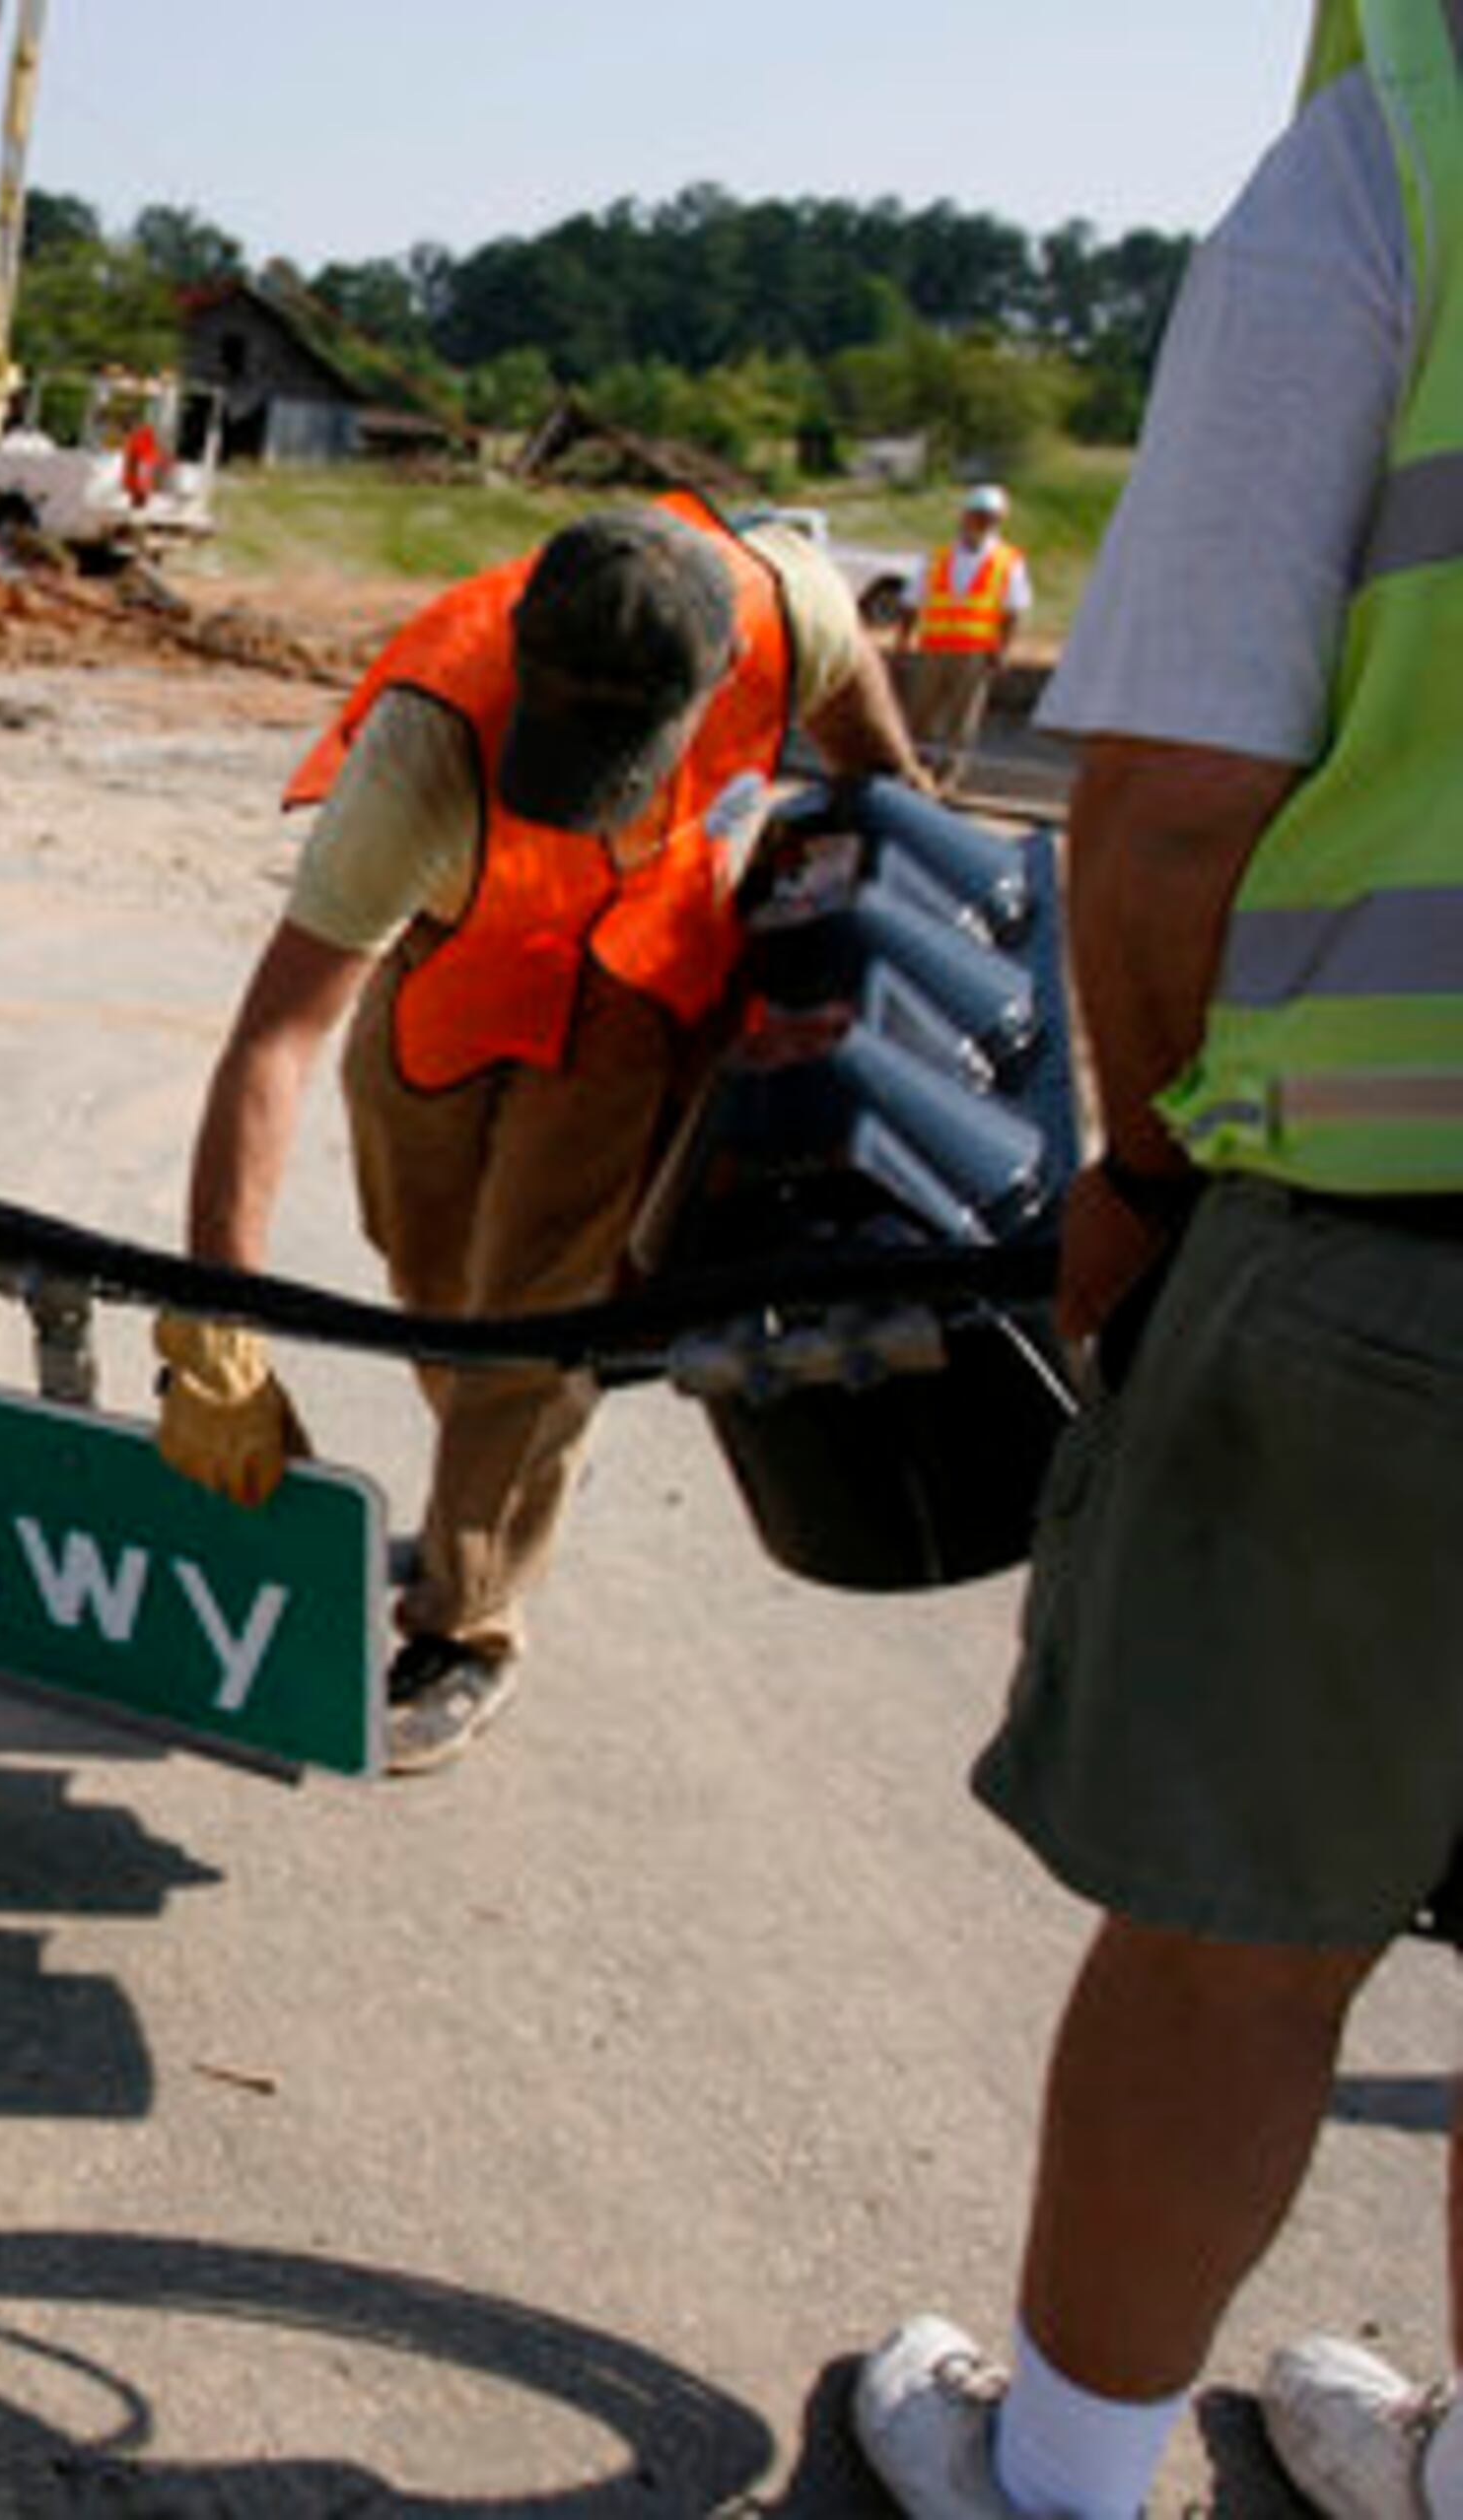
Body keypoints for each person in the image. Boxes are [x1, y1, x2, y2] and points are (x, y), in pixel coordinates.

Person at [852, 4, 1463, 2513]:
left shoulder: (1393, 147)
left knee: (1237, 1929)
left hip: (1389, 1226)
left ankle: (1066, 2470)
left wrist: (1153, 1176)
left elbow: (1170, 807)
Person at [153, 495, 924, 1772]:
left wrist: (857, 945)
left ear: (721, 667)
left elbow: (882, 778)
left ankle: (471, 1621)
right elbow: (273, 1043)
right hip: (453, 985)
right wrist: (214, 1334)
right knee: (431, 1284)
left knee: (529, 1323)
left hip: (644, 989)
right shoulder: (423, 747)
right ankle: (492, 1481)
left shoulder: (795, 610)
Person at [902, 482, 1033, 796]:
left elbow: (1013, 611)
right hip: (933, 647)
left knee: (962, 721)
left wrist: (1002, 649)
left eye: (990, 518)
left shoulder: (1008, 561)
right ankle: (916, 771)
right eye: (978, 515)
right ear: (964, 515)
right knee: (920, 714)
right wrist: (903, 640)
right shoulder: (937, 557)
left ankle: (949, 779)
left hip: (975, 653)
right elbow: (912, 601)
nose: (982, 522)